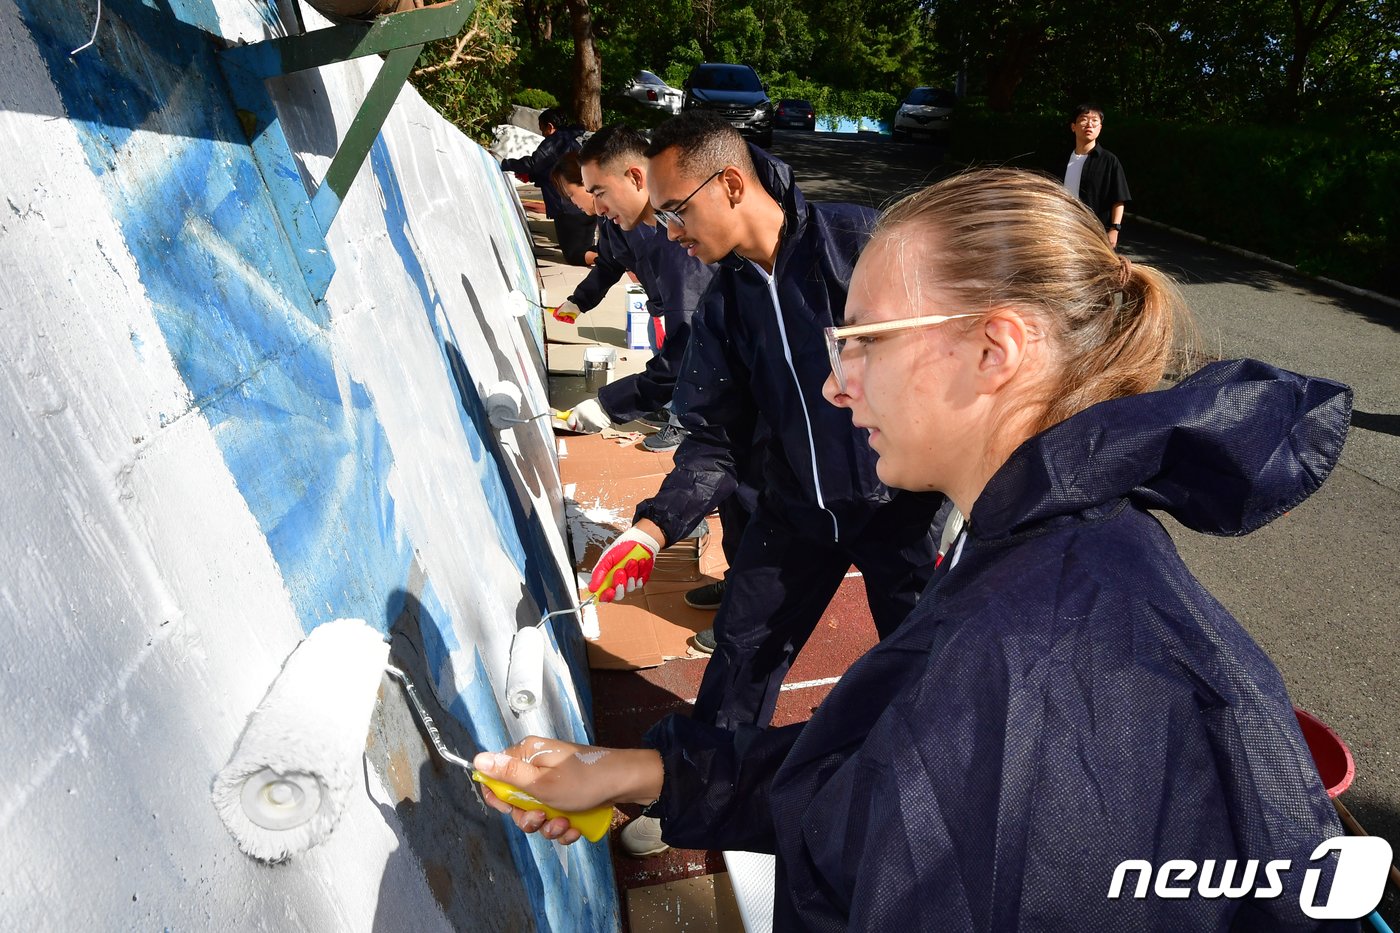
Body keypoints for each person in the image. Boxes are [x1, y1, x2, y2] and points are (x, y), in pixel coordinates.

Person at [472, 169, 1356, 931]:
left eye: (860, 341)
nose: (833, 381)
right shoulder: (1046, 547)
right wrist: (647, 769)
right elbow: (884, 769)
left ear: (993, 348)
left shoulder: (1041, 647)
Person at [587, 111, 945, 855]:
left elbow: (947, 358)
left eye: (676, 210)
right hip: (796, 513)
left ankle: (944, 799)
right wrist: (651, 528)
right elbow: (712, 438)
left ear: (731, 184)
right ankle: (696, 790)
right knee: (743, 655)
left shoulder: (860, 244)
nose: (669, 231)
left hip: (902, 513)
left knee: (934, 659)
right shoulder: (726, 302)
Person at [553, 124, 717, 453]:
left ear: (636, 177)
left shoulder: (676, 242)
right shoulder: (622, 224)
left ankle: (680, 423)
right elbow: (609, 264)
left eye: (599, 192)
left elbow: (686, 353)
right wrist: (579, 301)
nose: (597, 209)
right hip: (668, 312)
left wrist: (609, 406)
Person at [499, 108, 596, 266]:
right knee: (584, 246)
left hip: (567, 207)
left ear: (550, 126)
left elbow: (533, 163)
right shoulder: (574, 137)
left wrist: (505, 163)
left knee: (573, 255)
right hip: (587, 204)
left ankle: (611, 262)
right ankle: (610, 260)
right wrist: (531, 176)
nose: (542, 133)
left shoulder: (555, 141)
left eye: (542, 128)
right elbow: (552, 169)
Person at [1062, 103, 1131, 249]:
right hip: (1064, 227)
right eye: (1084, 119)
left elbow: (1119, 198)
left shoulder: (1109, 160)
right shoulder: (1062, 159)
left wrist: (1114, 229)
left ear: (1100, 128)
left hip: (1096, 234)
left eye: (1095, 121)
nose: (1089, 124)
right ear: (1073, 126)